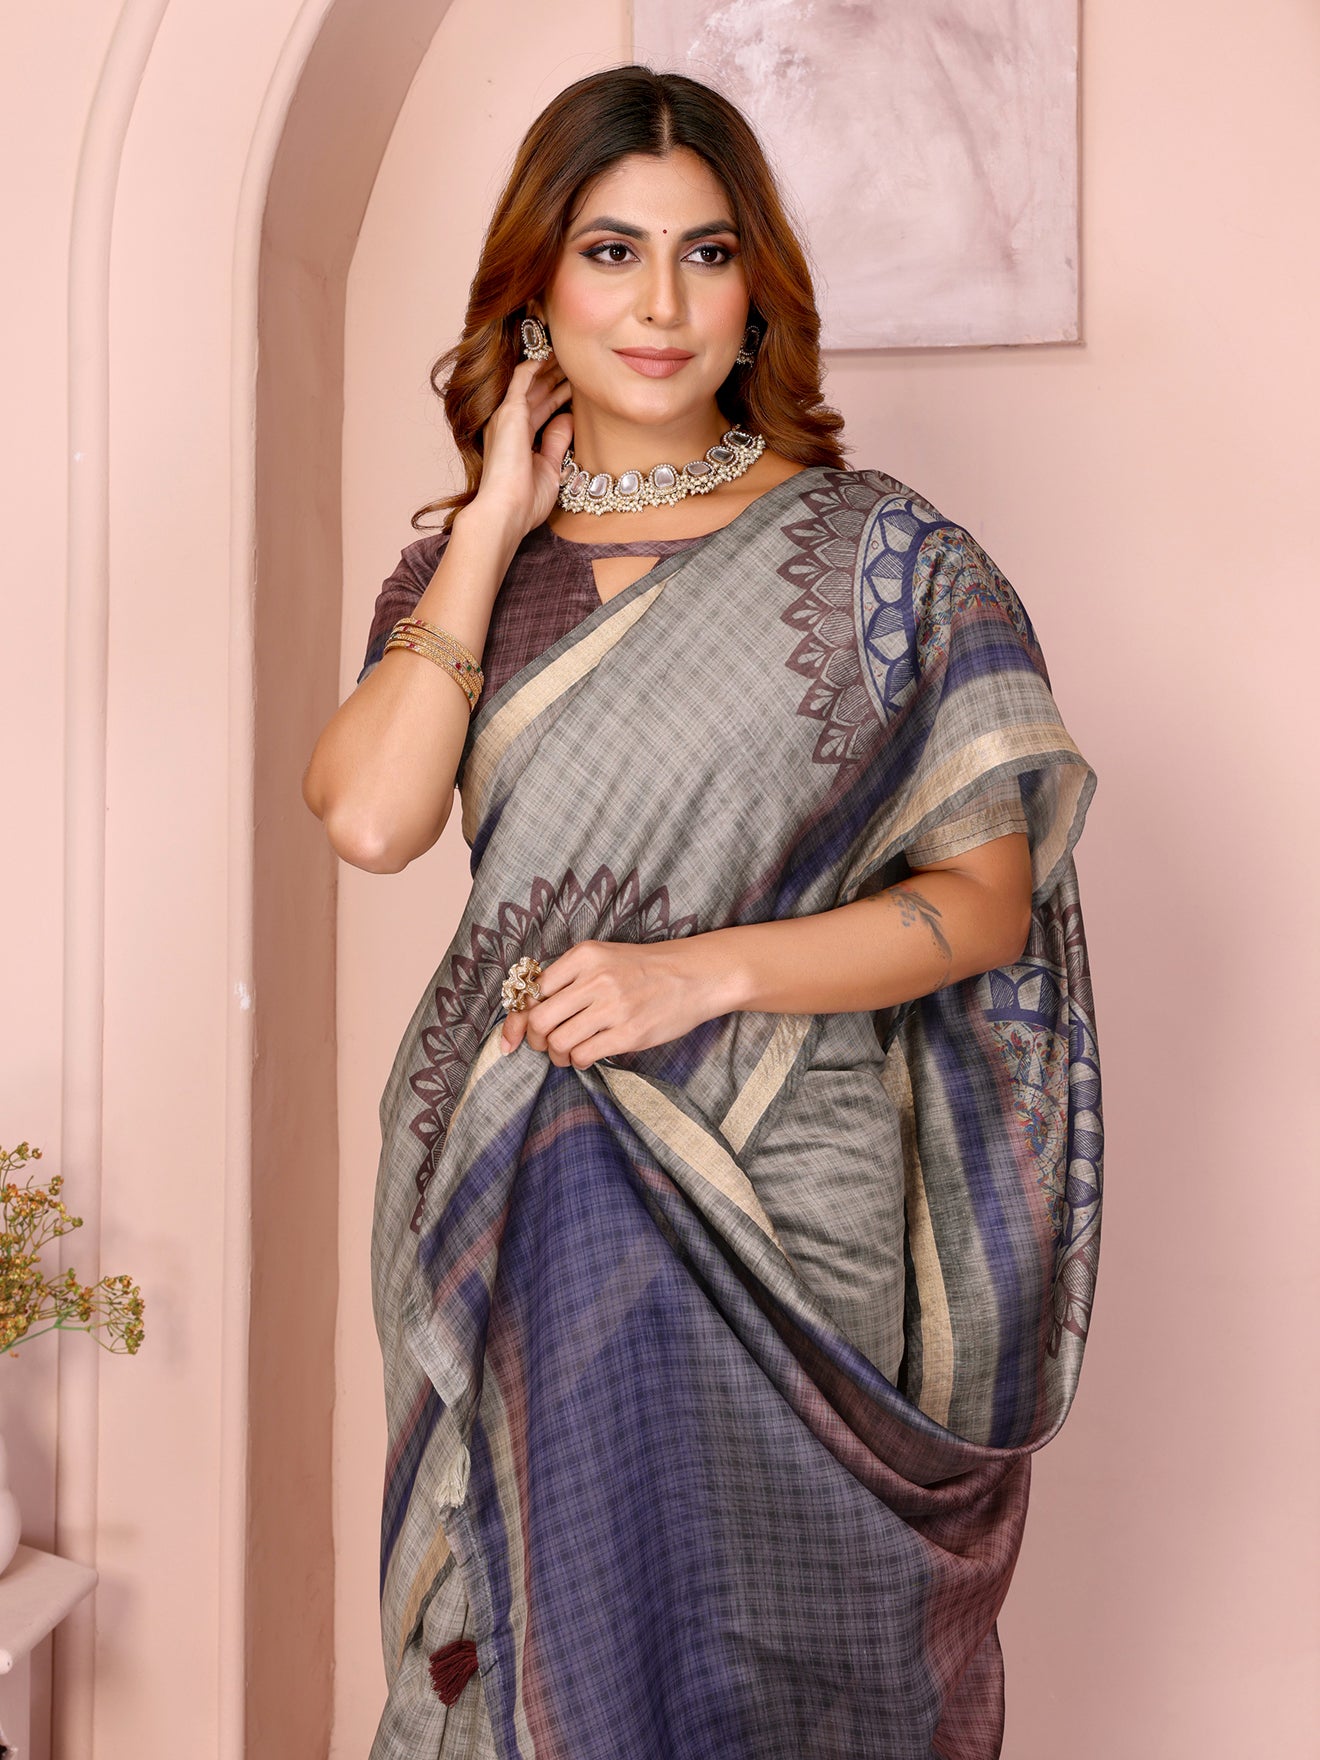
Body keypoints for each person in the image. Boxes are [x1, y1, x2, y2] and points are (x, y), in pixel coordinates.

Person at [303, 64, 1102, 1760]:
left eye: (705, 253)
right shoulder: (465, 575)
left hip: (784, 1187)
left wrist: (699, 975)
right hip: (517, 1173)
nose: (660, 305)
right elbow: (371, 818)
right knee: (538, 1651)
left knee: (774, 1668)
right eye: (611, 252)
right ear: (536, 291)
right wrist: (492, 523)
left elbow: (984, 904)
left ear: (757, 294)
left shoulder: (889, 562)